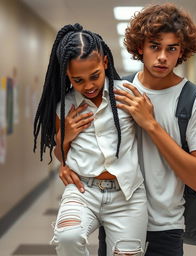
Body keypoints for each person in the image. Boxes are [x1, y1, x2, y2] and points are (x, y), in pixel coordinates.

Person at [58, 3, 196, 256]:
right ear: (140, 48)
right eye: (155, 46)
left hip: (164, 228)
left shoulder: (195, 101)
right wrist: (65, 160)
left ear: (182, 52)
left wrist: (152, 125)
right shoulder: (113, 91)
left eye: (172, 48)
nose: (163, 57)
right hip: (114, 219)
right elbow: (81, 147)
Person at [33, 23, 148, 256]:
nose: (89, 86)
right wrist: (64, 136)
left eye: (94, 76)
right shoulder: (63, 107)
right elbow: (61, 153)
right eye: (78, 80)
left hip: (127, 194)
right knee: (68, 237)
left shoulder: (127, 94)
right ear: (67, 75)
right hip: (83, 189)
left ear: (105, 63)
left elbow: (149, 133)